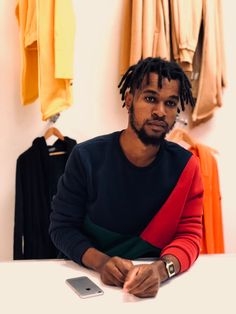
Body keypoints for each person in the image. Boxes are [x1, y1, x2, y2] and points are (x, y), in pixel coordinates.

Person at [49, 57, 204, 298]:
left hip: (154, 288)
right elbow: (62, 228)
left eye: (170, 103)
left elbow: (190, 235)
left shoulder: (187, 167)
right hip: (89, 281)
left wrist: (162, 270)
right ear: (129, 99)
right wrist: (102, 263)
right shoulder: (86, 157)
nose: (160, 112)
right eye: (150, 98)